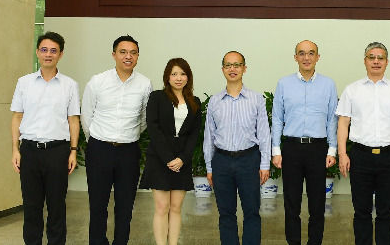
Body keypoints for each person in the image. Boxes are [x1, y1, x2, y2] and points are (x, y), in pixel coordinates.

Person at [336, 42, 390, 245]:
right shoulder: (352, 90)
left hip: (389, 157)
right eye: (371, 57)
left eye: (380, 57)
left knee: (386, 212)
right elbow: (343, 123)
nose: (376, 61)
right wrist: (342, 154)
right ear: (365, 61)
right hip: (360, 157)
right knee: (361, 212)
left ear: (387, 62)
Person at [81, 35, 153, 245]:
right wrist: (98, 140)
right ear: (114, 55)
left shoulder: (145, 84)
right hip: (99, 149)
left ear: (137, 56)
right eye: (123, 52)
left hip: (128, 151)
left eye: (133, 53)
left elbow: (144, 119)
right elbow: (86, 116)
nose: (128, 56)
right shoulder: (98, 81)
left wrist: (128, 136)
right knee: (97, 204)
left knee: (125, 205)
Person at [10, 32, 80, 245]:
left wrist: (73, 151)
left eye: (53, 51)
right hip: (29, 151)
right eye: (44, 50)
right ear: (37, 52)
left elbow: (73, 120)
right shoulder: (24, 83)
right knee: (31, 206)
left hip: (58, 152)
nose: (48, 54)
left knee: (57, 206)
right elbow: (17, 117)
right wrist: (15, 149)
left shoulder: (70, 85)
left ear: (61, 54)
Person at [271, 41, 339, 245]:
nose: (306, 57)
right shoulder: (284, 84)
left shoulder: (328, 84)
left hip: (318, 149)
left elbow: (332, 119)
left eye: (311, 53)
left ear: (318, 57)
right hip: (291, 148)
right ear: (295, 57)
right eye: (302, 53)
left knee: (317, 204)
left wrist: (332, 150)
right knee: (291, 203)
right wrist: (276, 150)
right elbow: (277, 118)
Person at [204, 51, 271, 245]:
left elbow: (264, 134)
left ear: (244, 68)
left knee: (252, 212)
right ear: (223, 69)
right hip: (221, 161)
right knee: (226, 213)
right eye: (228, 65)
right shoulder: (215, 101)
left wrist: (264, 164)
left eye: (237, 65)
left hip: (249, 160)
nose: (232, 69)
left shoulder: (256, 99)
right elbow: (209, 136)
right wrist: (209, 167)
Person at [139, 58, 202, 245]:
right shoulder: (157, 97)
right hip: (159, 158)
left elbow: (194, 134)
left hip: (182, 160)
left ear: (188, 77)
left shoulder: (194, 102)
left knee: (175, 207)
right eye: (174, 74)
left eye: (183, 74)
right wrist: (168, 158)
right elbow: (153, 128)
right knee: (162, 207)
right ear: (167, 76)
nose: (178, 78)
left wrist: (183, 158)